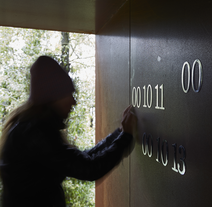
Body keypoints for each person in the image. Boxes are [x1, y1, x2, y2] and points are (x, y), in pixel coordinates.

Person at [0, 56, 136, 206]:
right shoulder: (35, 134)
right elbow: (89, 169)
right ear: (52, 97)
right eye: (68, 94)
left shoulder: (30, 128)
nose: (74, 101)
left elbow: (82, 159)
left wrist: (119, 133)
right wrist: (125, 136)